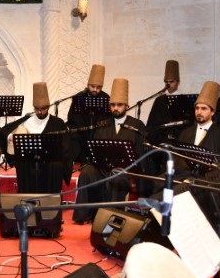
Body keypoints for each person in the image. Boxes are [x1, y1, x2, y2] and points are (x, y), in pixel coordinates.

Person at [72, 78, 148, 224]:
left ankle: (110, 219)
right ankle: (82, 215)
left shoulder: (136, 126)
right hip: (103, 169)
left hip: (125, 173)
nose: (115, 108)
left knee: (117, 174)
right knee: (87, 171)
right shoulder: (103, 125)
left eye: (119, 105)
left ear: (126, 106)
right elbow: (94, 154)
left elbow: (141, 157)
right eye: (112, 105)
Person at [2, 82, 72, 194]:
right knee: (22, 163)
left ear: (48, 107)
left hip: (50, 160)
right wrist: (11, 137)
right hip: (30, 159)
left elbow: (66, 147)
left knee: (56, 165)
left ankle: (51, 199)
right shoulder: (27, 121)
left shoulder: (58, 123)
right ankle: (26, 197)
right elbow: (3, 131)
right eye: (37, 109)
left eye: (43, 109)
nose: (40, 112)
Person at [173, 81, 220, 178]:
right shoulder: (186, 132)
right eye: (197, 108)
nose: (199, 112)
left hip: (207, 180)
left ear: (212, 112)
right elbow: (177, 160)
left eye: (204, 109)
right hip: (183, 177)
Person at [66, 64, 110, 164]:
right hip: (81, 135)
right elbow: (72, 120)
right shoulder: (80, 97)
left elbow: (107, 120)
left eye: (98, 87)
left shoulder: (105, 98)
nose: (95, 90)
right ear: (88, 85)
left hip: (97, 136)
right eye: (92, 86)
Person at [146, 60, 183, 146]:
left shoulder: (183, 100)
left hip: (178, 141)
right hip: (161, 141)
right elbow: (152, 124)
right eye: (166, 82)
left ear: (178, 82)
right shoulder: (159, 100)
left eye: (171, 82)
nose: (168, 84)